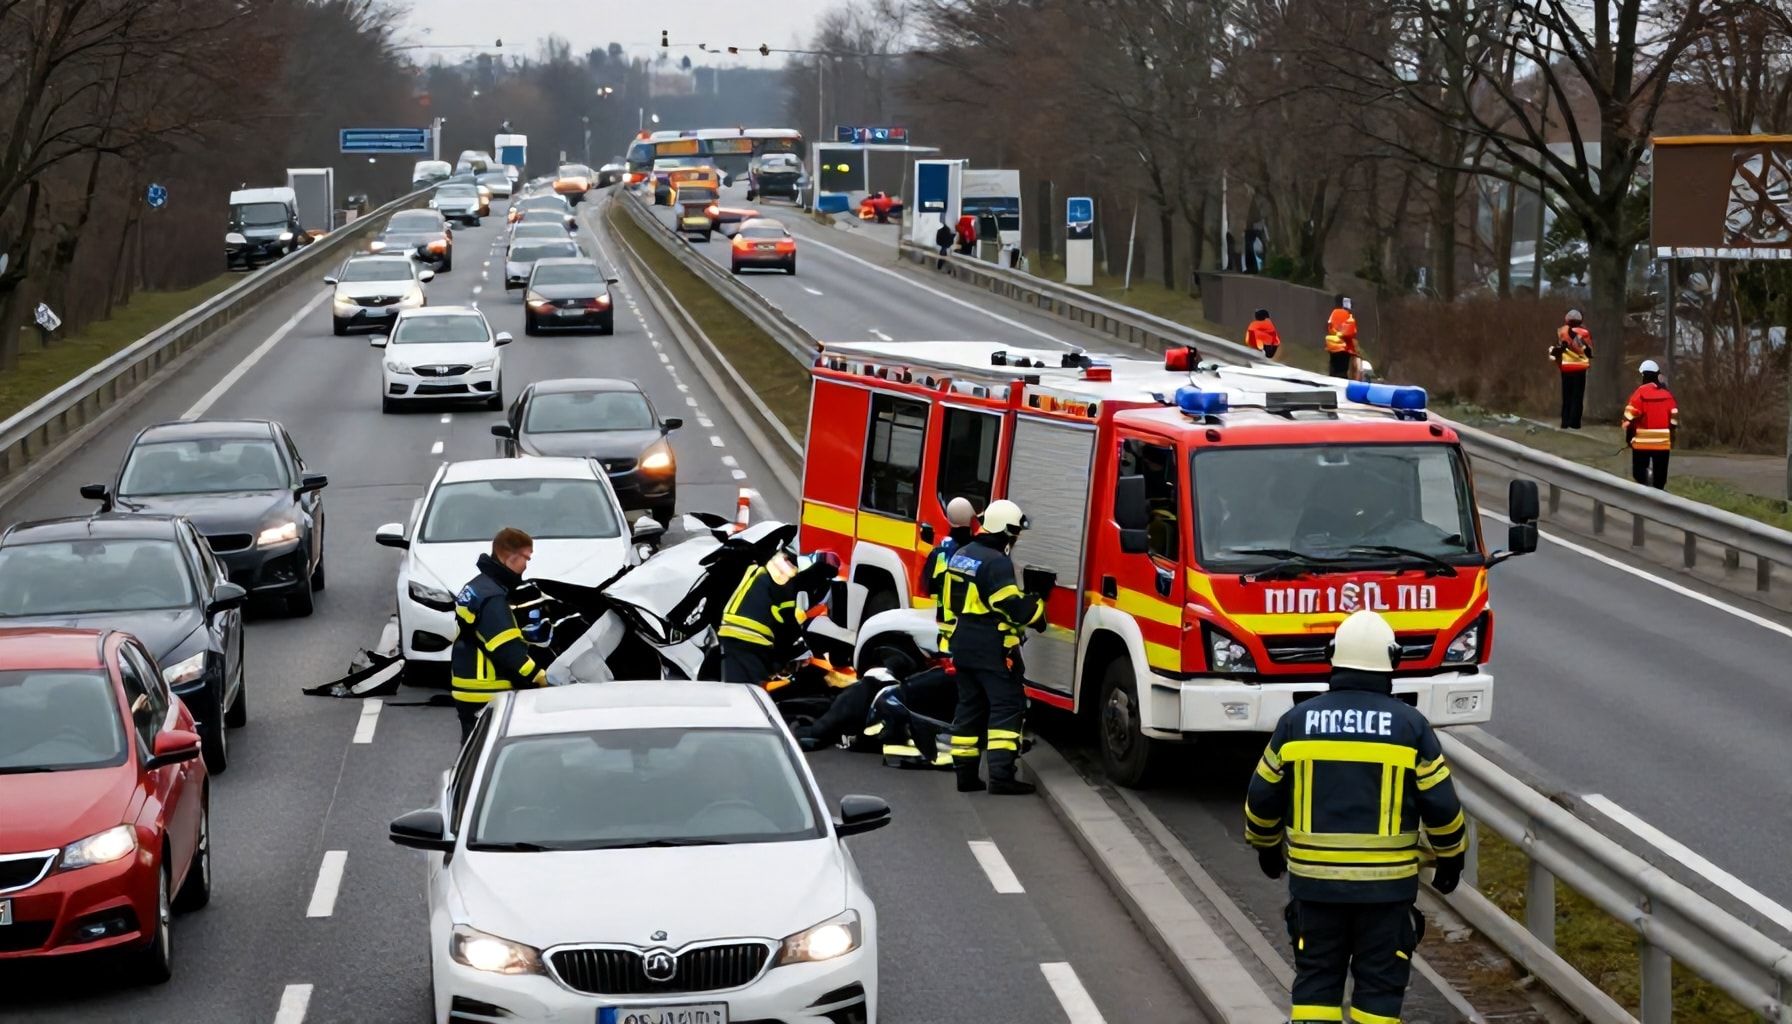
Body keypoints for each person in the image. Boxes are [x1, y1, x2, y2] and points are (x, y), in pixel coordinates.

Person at [1244, 610, 1467, 1024]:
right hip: (1386, 897)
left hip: (1315, 891)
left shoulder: (1296, 723)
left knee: (1316, 985)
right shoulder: (1410, 727)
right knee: (1380, 991)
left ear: (1333, 658)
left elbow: (1261, 796)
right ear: (1391, 662)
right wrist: (1452, 857)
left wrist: (1267, 848)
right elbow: (1442, 807)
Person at [944, 499, 1047, 795]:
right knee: (1006, 707)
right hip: (991, 646)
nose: (1015, 539)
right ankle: (1001, 777)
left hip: (963, 642)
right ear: (1005, 530)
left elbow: (953, 602)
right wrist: (1037, 605)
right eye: (1014, 533)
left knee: (969, 709)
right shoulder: (996, 562)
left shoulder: (961, 555)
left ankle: (966, 776)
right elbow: (1012, 608)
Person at [451, 528, 548, 742]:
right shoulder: (493, 596)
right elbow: (506, 648)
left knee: (472, 752)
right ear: (510, 557)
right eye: (525, 558)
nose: (526, 566)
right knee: (489, 753)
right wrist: (540, 677)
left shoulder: (477, 585)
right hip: (488, 688)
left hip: (468, 683)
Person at [715, 549, 841, 684]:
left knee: (737, 689)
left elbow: (785, 634)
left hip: (733, 633)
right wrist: (798, 652)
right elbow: (786, 633)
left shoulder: (760, 571)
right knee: (744, 692)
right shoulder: (785, 590)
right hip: (750, 639)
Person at [1624, 359, 1679, 489]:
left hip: (1642, 441)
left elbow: (1629, 417)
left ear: (1643, 375)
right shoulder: (1667, 395)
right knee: (1660, 480)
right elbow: (1674, 416)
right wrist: (1672, 432)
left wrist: (1628, 436)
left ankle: (1644, 494)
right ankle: (1658, 500)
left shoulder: (1639, 394)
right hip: (1662, 442)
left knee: (1639, 475)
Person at [1550, 309, 1594, 429]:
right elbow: (1589, 351)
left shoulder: (1562, 331)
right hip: (1580, 368)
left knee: (1567, 395)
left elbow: (1556, 349)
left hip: (1566, 368)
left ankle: (1564, 422)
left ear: (1567, 319)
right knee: (1577, 396)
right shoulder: (1585, 333)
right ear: (1580, 320)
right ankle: (1575, 423)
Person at [1325, 295, 1358, 379]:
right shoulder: (1349, 316)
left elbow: (1329, 326)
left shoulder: (1334, 313)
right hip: (1343, 348)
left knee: (1333, 369)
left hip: (1332, 346)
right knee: (1342, 372)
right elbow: (1351, 332)